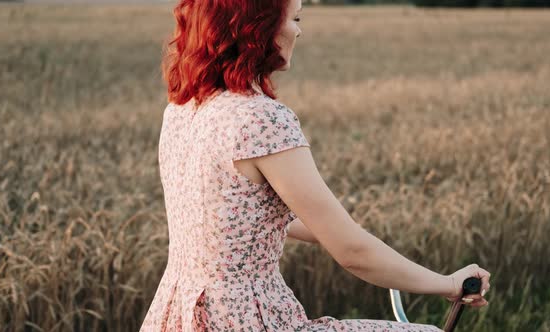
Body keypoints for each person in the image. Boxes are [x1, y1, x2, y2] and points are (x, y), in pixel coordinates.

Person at [139, 0, 491, 331]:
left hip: (180, 315)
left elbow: (235, 220)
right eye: (295, 18)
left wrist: (333, 230)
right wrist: (447, 284)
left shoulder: (182, 110)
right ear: (258, 26)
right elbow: (354, 254)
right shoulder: (261, 120)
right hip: (246, 318)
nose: (299, 31)